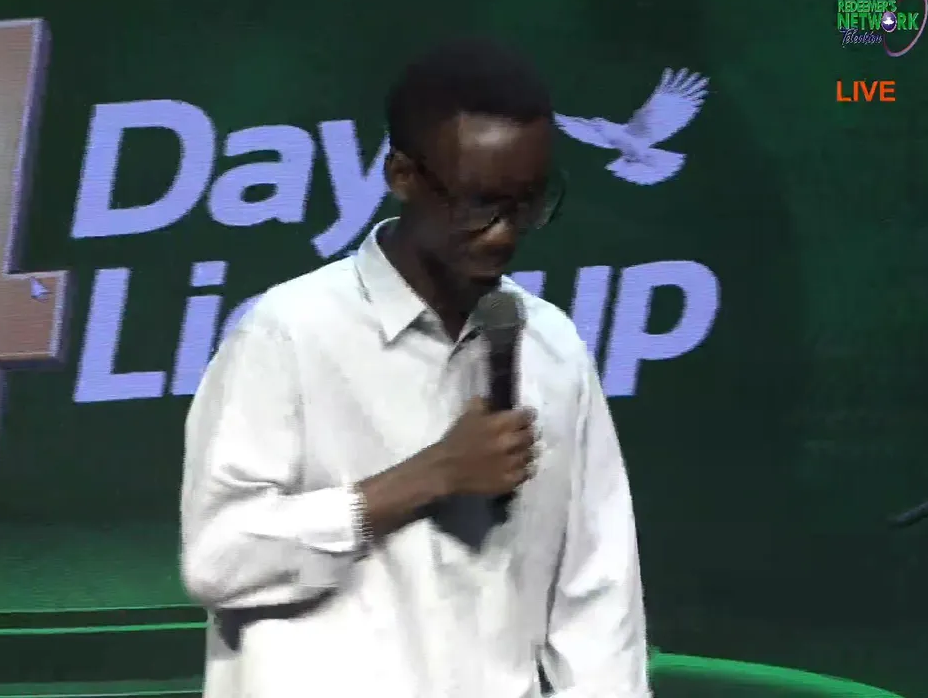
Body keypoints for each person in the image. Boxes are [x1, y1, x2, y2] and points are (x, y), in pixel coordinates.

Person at [180, 37, 650, 698]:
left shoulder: (553, 346)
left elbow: (597, 596)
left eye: (528, 204)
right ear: (402, 176)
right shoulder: (290, 331)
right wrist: (429, 476)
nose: (503, 233)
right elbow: (219, 558)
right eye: (478, 203)